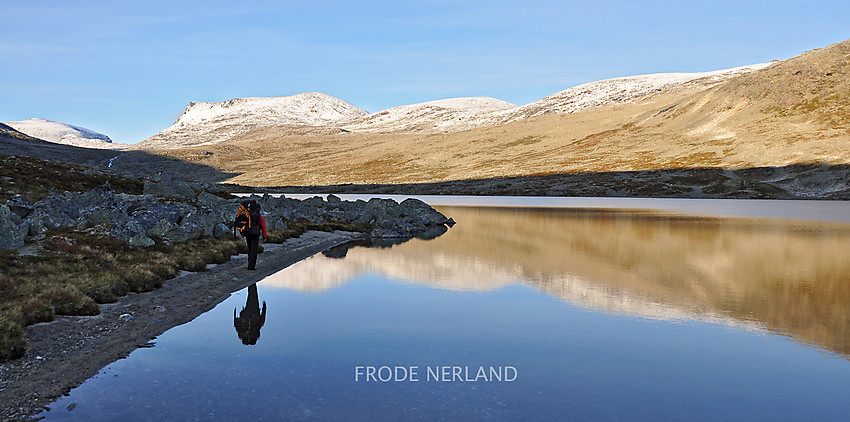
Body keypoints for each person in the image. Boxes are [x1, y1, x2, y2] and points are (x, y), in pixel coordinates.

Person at [235, 200, 267, 270]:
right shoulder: (259, 216)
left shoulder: (247, 214)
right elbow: (263, 226)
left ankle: (249, 263)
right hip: (255, 234)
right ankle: (251, 266)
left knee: (250, 249)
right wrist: (265, 236)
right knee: (254, 250)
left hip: (247, 233)